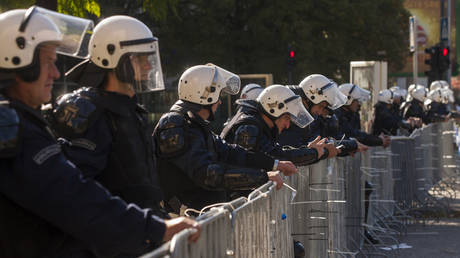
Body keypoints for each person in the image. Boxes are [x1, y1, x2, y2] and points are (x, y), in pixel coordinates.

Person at [0, 6, 199, 257]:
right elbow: (72, 196)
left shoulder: (19, 121)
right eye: (49, 62)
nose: (56, 72)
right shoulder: (11, 126)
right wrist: (154, 228)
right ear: (19, 61)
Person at [50, 15, 168, 217]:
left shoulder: (132, 111)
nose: (149, 66)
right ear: (112, 57)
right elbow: (80, 191)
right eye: (140, 58)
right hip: (114, 238)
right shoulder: (89, 111)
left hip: (143, 231)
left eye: (149, 58)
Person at [153, 64, 297, 213]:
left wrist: (274, 164)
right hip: (183, 219)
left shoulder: (195, 125)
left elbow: (232, 152)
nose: (220, 102)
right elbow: (208, 174)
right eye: (219, 96)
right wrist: (262, 177)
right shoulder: (175, 125)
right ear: (204, 95)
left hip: (198, 216)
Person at [278, 74, 367, 156]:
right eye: (320, 106)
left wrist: (346, 145)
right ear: (311, 98)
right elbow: (289, 152)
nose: (320, 112)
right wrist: (318, 152)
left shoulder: (303, 117)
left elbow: (313, 141)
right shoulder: (292, 116)